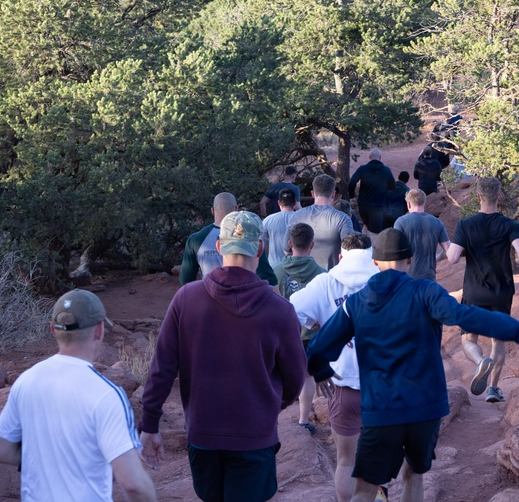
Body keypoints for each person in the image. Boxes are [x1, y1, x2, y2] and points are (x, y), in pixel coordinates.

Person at [307, 229, 519, 502]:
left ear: (375, 262)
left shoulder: (356, 303)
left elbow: (319, 346)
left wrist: (320, 371)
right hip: (424, 409)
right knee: (414, 475)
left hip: (381, 411)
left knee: (366, 490)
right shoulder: (425, 292)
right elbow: (469, 317)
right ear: (410, 260)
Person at [139, 210, 307, 502]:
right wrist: (266, 405)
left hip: (203, 436)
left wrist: (150, 423)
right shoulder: (280, 310)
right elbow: (294, 378)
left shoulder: (186, 299)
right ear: (259, 248)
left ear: (219, 247)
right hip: (255, 437)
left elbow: (162, 367)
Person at [0, 290, 156, 502]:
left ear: (53, 330)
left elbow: (2, 451)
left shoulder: (26, 381)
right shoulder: (107, 394)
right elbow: (134, 485)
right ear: (99, 330)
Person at [290, 232, 375, 502]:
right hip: (384, 387)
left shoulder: (326, 283)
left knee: (346, 462)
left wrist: (316, 329)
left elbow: (291, 312)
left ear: (341, 257)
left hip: (343, 383)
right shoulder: (384, 281)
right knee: (378, 463)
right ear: (372, 256)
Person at [445, 177, 519, 403]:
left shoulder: (465, 225)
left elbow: (453, 258)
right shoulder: (510, 225)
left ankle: (479, 362)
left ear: (478, 197)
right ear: (499, 196)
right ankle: (493, 389)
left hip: (473, 292)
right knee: (498, 341)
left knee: (468, 340)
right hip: (501, 292)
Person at [274, 222, 327, 434]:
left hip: (281, 335)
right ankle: (303, 419)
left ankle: (272, 419)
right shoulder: (322, 275)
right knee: (307, 377)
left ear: (289, 244)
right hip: (309, 335)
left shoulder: (275, 272)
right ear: (312, 245)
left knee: (276, 377)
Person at [179, 191, 276, 286]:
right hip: (243, 297)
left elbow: (186, 279)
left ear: (212, 211)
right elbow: (267, 277)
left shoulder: (196, 239)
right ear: (236, 209)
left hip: (210, 295)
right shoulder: (248, 236)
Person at [291, 174, 355, 270]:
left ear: (313, 194)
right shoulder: (343, 218)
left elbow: (286, 249)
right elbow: (350, 251)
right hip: (331, 278)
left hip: (303, 277)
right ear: (333, 194)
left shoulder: (296, 216)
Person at [394, 189, 450, 282]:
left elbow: (395, 251)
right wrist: (436, 258)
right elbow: (448, 250)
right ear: (424, 203)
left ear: (408, 204)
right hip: (429, 279)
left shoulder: (401, 222)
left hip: (407, 279)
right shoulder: (437, 222)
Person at [347, 149, 396, 235]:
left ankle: (364, 244)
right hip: (378, 206)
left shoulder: (362, 169)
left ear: (370, 157)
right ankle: (372, 247)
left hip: (363, 205)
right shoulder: (386, 170)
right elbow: (392, 187)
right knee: (375, 232)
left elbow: (352, 182)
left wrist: (352, 196)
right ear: (380, 158)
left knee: (366, 226)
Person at [263, 189, 298, 268]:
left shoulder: (268, 220)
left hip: (274, 268)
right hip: (296, 268)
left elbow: (260, 244)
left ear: (279, 202)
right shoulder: (302, 218)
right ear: (295, 202)